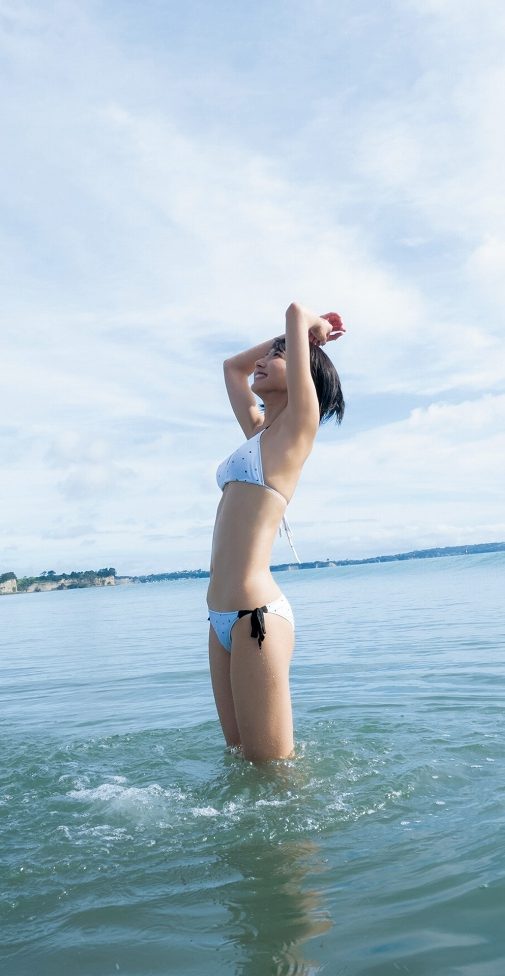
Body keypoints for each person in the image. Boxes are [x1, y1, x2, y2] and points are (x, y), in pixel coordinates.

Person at [207, 302, 346, 762]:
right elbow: (233, 368)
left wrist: (312, 329)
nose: (263, 361)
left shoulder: (296, 431)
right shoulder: (258, 432)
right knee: (239, 763)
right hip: (221, 619)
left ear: (305, 373)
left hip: (256, 617)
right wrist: (286, 342)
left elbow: (295, 309)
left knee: (275, 779)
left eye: (278, 356)